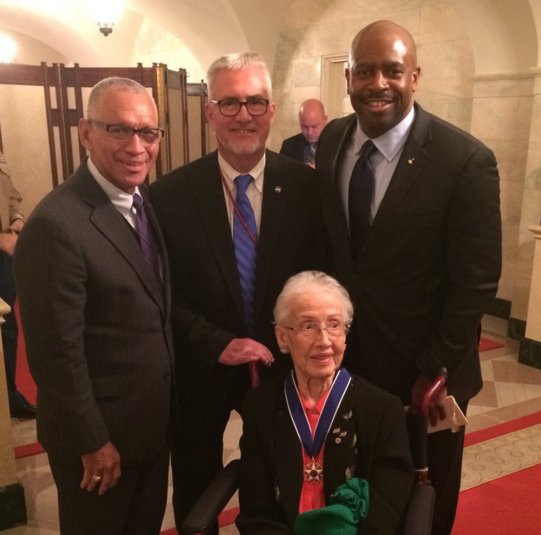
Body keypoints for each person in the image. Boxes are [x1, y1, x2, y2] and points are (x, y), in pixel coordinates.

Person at [316, 20, 502, 535]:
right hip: (348, 366)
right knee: (355, 494)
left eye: (392, 70)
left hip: (426, 380)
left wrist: (434, 369)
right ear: (348, 77)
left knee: (424, 504)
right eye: (365, 71)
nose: (379, 83)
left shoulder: (464, 160)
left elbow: (477, 283)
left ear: (414, 76)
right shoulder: (332, 140)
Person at [150, 52, 329, 534]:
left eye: (255, 102)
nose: (243, 115)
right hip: (199, 367)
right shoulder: (167, 196)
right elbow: (161, 293)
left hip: (283, 366)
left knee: (280, 482)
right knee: (195, 488)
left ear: (273, 111)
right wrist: (216, 342)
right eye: (229, 103)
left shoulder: (308, 189)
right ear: (209, 112)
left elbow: (321, 275)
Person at [13, 77, 174, 535]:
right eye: (118, 130)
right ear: (86, 132)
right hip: (99, 443)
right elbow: (55, 354)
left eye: (148, 132)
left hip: (145, 428)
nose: (137, 146)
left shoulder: (143, 202)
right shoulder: (55, 226)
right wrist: (93, 441)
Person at [236, 271, 413, 535]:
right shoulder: (260, 407)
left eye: (334, 324)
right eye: (308, 326)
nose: (324, 341)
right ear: (283, 337)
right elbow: (256, 508)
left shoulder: (382, 409)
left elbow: (387, 506)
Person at [0, 149, 35, 419]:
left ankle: (9, 394)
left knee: (7, 325)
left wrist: (16, 222)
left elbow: (11, 195)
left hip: (4, 253)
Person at [280, 99, 328, 167]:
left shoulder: (337, 145)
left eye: (314, 126)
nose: (309, 132)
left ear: (325, 120)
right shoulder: (288, 146)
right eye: (305, 127)